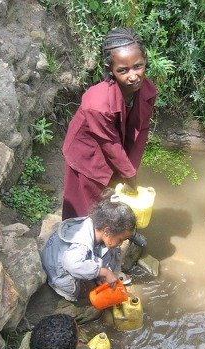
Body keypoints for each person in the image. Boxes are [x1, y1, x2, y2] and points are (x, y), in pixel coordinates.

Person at [62, 27, 157, 220]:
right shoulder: (97, 103)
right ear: (110, 70)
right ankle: (79, 241)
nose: (133, 76)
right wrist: (129, 176)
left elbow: (142, 131)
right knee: (85, 204)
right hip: (87, 151)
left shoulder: (147, 91)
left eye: (138, 66)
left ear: (145, 61)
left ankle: (110, 238)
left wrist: (131, 170)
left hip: (115, 145)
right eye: (123, 70)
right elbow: (109, 143)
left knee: (115, 196)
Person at [41, 199, 136, 302]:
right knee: (87, 291)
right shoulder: (81, 242)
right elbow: (72, 265)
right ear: (107, 231)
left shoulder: (97, 227)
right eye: (120, 239)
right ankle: (81, 287)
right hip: (58, 272)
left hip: (68, 257)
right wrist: (104, 272)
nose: (121, 243)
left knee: (110, 251)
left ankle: (99, 275)